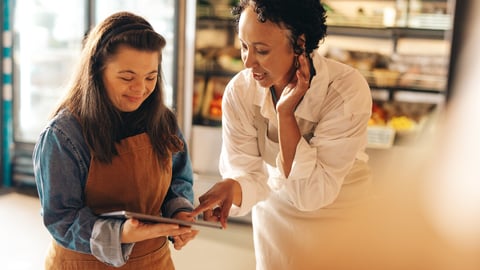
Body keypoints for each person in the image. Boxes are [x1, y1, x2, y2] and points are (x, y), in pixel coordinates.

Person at [192, 0, 373, 269]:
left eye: (261, 51)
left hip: (340, 222)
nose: (248, 62)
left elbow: (311, 195)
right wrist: (234, 187)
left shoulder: (344, 91)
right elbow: (250, 175)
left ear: (300, 44)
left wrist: (285, 115)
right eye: (244, 46)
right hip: (276, 221)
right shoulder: (240, 92)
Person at [33, 11, 198, 269]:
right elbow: (61, 219)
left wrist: (180, 214)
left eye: (150, 77)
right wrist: (120, 234)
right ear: (97, 71)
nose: (140, 89)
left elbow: (179, 178)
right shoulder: (63, 135)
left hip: (153, 260)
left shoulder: (163, 121)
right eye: (127, 77)